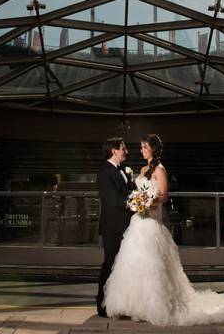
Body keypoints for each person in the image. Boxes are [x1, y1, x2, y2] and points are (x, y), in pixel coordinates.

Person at [102, 134, 224, 326]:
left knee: (153, 266)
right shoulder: (143, 169)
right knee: (133, 263)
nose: (141, 150)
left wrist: (149, 203)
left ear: (152, 149)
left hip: (151, 222)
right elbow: (135, 193)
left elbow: (164, 196)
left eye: (144, 147)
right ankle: (134, 306)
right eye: (141, 147)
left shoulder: (160, 170)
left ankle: (156, 307)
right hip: (137, 223)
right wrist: (138, 201)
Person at [95, 136, 132, 318]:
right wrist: (133, 202)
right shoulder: (104, 172)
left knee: (123, 265)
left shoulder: (123, 170)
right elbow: (112, 199)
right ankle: (101, 304)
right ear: (114, 150)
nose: (127, 151)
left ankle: (119, 302)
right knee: (109, 264)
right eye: (123, 148)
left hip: (126, 226)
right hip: (112, 227)